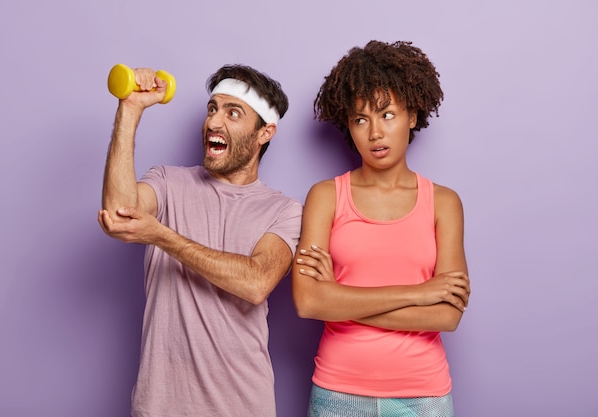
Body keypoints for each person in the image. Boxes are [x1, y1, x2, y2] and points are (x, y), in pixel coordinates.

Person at [98, 64, 302, 417]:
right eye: (212, 109)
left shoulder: (283, 210)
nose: (213, 123)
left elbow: (256, 282)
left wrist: (160, 235)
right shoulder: (167, 181)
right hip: (158, 406)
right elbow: (119, 214)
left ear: (264, 133)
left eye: (232, 112)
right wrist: (129, 109)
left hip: (241, 407)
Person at [292, 40, 471, 417]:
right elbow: (308, 302)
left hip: (423, 395)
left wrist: (339, 300)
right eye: (360, 119)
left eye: (387, 114)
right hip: (337, 392)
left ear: (412, 115)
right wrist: (419, 293)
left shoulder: (444, 203)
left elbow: (448, 315)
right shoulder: (326, 197)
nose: (374, 132)